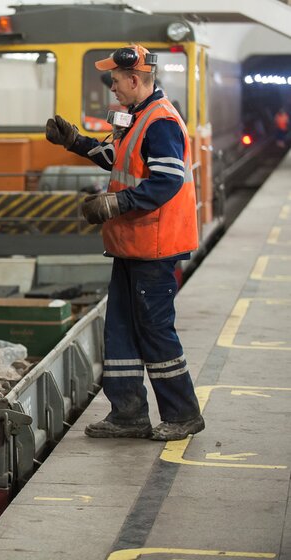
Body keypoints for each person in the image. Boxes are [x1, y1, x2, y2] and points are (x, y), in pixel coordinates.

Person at [44, 44, 205, 441]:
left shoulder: (161, 122)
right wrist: (75, 141)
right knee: (120, 331)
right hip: (131, 244)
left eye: (116, 81)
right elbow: (116, 158)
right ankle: (127, 415)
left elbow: (166, 181)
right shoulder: (137, 117)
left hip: (155, 246)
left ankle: (183, 414)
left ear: (135, 79)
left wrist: (116, 203)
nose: (112, 87)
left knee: (154, 331)